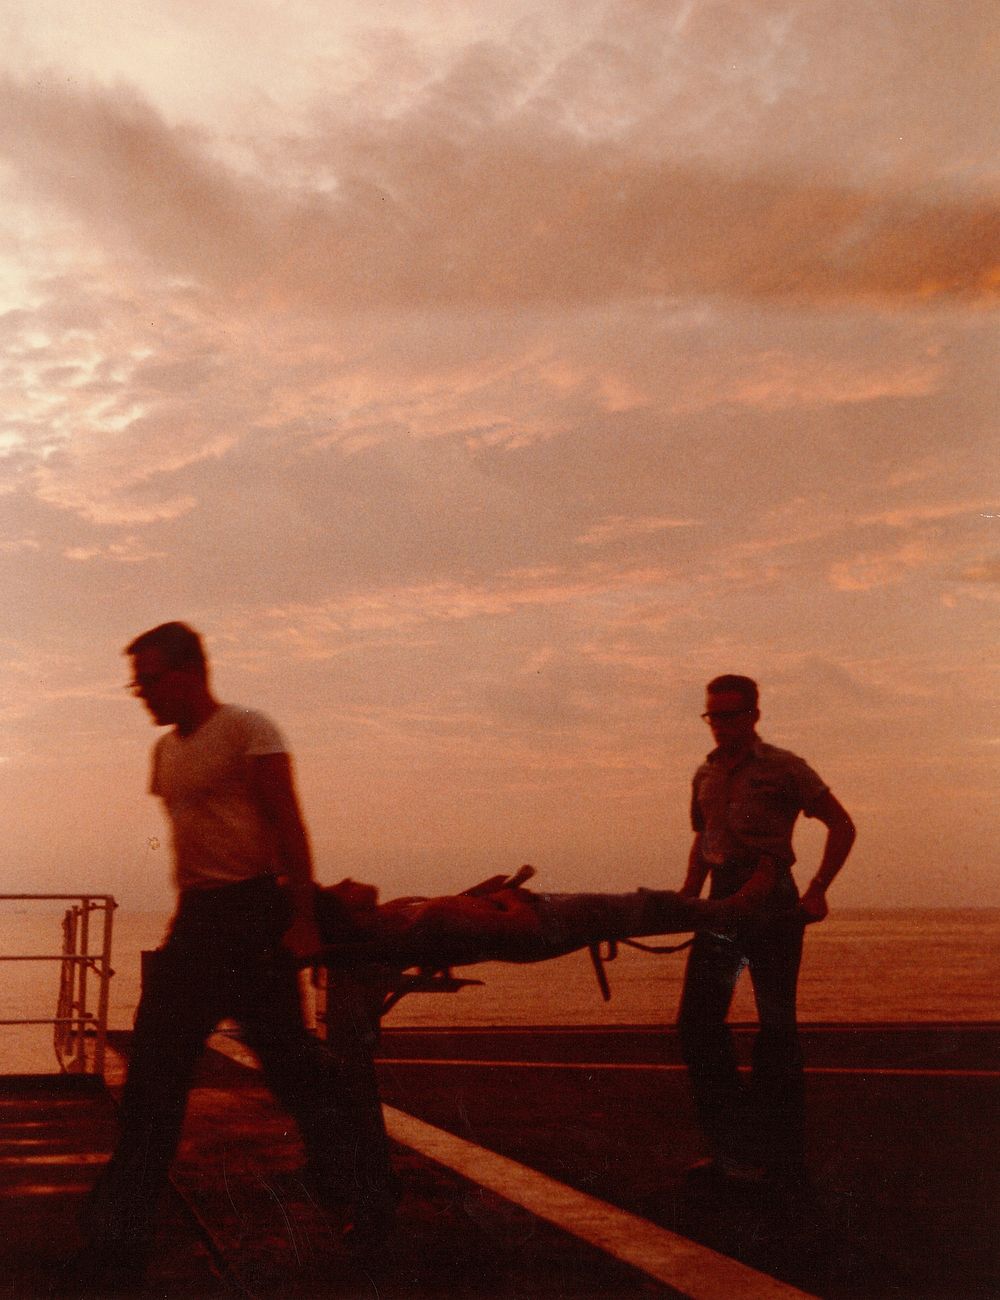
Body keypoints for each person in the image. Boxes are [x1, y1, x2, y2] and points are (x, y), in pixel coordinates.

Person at [74, 622, 394, 1291]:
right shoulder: (164, 753)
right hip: (197, 922)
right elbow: (192, 844)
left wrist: (303, 916)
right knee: (153, 1077)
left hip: (255, 915)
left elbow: (287, 823)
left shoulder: (250, 729)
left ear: (188, 672)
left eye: (149, 679)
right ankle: (119, 1231)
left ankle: (364, 1197)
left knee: (291, 1068)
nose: (141, 693)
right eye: (136, 681)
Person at [676, 674, 855, 1190]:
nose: (720, 726)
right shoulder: (704, 774)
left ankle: (781, 1160)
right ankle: (733, 1149)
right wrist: (687, 896)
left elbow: (842, 825)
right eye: (713, 716)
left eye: (730, 715)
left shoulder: (785, 767)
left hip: (773, 899)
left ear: (754, 715)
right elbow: (704, 840)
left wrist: (818, 889)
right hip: (720, 904)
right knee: (696, 1025)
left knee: (776, 1030)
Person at [314, 862, 779, 971]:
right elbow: (520, 927)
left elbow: (468, 911)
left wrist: (485, 891)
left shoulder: (401, 913)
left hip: (536, 917)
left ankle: (724, 913)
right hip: (544, 923)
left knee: (636, 907)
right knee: (635, 906)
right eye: (339, 889)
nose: (348, 880)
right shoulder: (424, 919)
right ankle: (734, 912)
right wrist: (512, 899)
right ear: (344, 913)